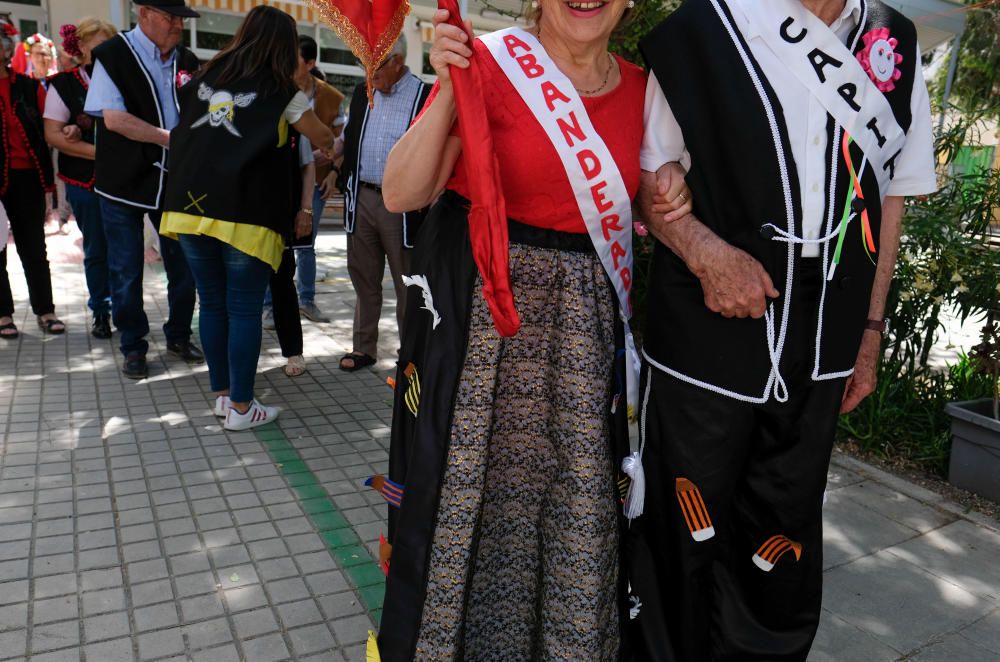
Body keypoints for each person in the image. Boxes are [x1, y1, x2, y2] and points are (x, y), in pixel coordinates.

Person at [369, 1, 691, 657]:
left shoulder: (644, 88)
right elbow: (401, 192)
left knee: (575, 503)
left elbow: (658, 199)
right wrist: (452, 97)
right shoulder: (488, 62)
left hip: (582, 341)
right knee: (470, 495)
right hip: (482, 331)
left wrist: (672, 184)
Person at [630, 0, 938, 659]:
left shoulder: (897, 41)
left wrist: (871, 329)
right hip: (708, 329)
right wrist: (705, 253)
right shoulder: (705, 27)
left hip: (825, 338)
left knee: (783, 529)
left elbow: (891, 199)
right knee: (683, 523)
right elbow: (652, 182)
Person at [160, 5, 335, 430]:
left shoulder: (201, 79)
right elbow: (324, 136)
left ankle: (223, 397)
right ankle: (242, 407)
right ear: (285, 47)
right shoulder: (284, 93)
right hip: (246, 214)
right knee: (242, 309)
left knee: (213, 304)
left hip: (189, 210)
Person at [84, 0, 203, 379]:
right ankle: (133, 344)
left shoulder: (187, 59)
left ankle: (179, 334)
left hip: (175, 181)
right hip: (123, 180)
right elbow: (115, 120)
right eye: (171, 17)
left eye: (180, 18)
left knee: (184, 266)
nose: (178, 26)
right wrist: (170, 139)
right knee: (126, 269)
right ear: (145, 13)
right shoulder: (113, 55)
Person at [336, 36, 431, 371]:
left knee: (408, 283)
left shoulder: (423, 95)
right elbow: (350, 135)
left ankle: (412, 354)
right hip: (361, 196)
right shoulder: (365, 94)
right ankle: (364, 348)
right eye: (366, 66)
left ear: (398, 62)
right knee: (363, 278)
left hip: (402, 204)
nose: (369, 76)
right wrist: (330, 151)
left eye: (375, 69)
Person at [43, 18, 118, 339]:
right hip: (84, 182)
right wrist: (103, 155)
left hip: (123, 181)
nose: (105, 52)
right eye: (98, 45)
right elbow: (54, 136)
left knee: (125, 251)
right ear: (81, 46)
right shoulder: (63, 83)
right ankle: (101, 311)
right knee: (98, 249)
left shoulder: (124, 80)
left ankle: (126, 310)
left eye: (109, 45)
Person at [0, 20, 65, 340]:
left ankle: (45, 309)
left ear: (7, 49)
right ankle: (2, 313)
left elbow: (50, 127)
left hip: (27, 176)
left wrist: (69, 129)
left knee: (34, 248)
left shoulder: (28, 86)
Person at [292, 36, 343, 323]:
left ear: (310, 63)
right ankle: (269, 307)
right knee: (276, 242)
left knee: (306, 242)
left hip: (317, 181)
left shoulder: (332, 97)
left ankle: (307, 301)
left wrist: (334, 170)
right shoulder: (278, 89)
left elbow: (340, 142)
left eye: (295, 59)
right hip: (284, 180)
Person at [266, 126, 317, 378]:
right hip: (240, 217)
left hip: (280, 215)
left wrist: (306, 209)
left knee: (282, 282)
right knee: (240, 291)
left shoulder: (294, 118)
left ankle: (293, 351)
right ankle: (239, 355)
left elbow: (307, 165)